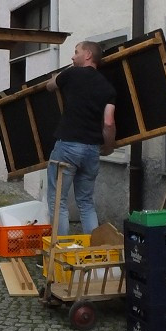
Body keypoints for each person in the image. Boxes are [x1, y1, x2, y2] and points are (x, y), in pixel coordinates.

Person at [44, 40, 117, 236]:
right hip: (92, 150)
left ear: (87, 56)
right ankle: (92, 256)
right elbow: (109, 122)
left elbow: (50, 86)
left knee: (58, 201)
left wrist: (61, 74)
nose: (72, 56)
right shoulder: (108, 88)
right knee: (86, 202)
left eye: (76, 52)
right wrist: (108, 147)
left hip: (67, 147)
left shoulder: (72, 74)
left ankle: (60, 254)